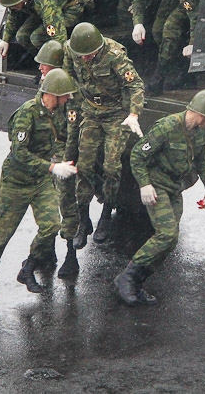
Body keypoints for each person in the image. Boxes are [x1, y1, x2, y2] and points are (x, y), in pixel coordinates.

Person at [114, 90, 205, 306]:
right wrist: (144, 184)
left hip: (174, 188)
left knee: (171, 241)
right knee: (166, 234)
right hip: (157, 187)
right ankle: (126, 278)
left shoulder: (198, 133)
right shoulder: (167, 127)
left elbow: (201, 160)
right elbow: (138, 155)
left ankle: (138, 281)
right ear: (200, 114)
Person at [0, 69, 79, 297]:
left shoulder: (59, 112)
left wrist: (64, 162)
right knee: (3, 232)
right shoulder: (27, 113)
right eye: (65, 94)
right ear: (53, 94)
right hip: (17, 180)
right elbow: (19, 153)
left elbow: (62, 139)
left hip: (40, 180)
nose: (68, 98)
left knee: (51, 225)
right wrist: (52, 167)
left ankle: (28, 268)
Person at [63, 23, 145, 249]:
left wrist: (134, 114)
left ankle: (106, 214)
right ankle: (83, 219)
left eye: (89, 55)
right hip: (90, 110)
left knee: (111, 167)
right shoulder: (71, 50)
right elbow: (68, 75)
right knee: (84, 166)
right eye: (82, 55)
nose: (85, 59)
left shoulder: (114, 55)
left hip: (115, 113)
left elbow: (135, 84)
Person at [34, 41, 81, 278]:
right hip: (49, 151)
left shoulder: (68, 93)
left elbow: (72, 135)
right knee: (47, 201)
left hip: (64, 153)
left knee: (66, 201)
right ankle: (48, 251)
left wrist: (66, 163)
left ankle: (71, 255)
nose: (40, 68)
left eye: (44, 64)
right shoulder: (45, 86)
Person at [128, 0, 199, 95]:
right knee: (157, 30)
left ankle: (159, 78)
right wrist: (138, 24)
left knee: (170, 29)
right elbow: (138, 1)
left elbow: (193, 12)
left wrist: (193, 42)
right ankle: (178, 66)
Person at [0, 0, 96, 56]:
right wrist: (5, 40)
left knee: (36, 38)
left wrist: (60, 60)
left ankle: (52, 62)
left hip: (72, 7)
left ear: (24, 0)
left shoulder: (43, 2)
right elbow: (12, 18)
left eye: (14, 6)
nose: (13, 8)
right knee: (22, 36)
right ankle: (42, 61)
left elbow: (58, 35)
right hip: (48, 8)